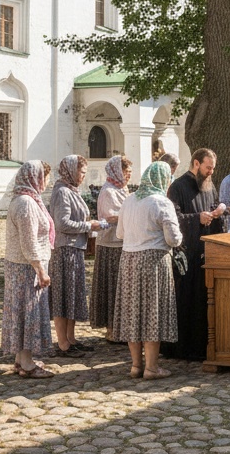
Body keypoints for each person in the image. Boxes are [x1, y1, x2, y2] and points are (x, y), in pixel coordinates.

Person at [113, 160, 182, 379]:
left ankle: (136, 366)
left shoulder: (129, 200)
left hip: (129, 261)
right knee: (153, 312)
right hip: (153, 262)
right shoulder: (162, 202)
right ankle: (152, 368)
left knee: (133, 312)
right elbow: (173, 239)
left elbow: (120, 234)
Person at [163, 147, 226, 360]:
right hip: (187, 253)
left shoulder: (209, 185)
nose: (210, 172)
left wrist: (218, 213)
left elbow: (214, 206)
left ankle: (204, 345)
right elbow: (173, 219)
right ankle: (183, 348)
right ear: (196, 164)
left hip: (207, 252)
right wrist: (197, 218)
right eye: (208, 168)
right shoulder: (178, 187)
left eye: (213, 169)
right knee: (187, 300)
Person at [2, 160, 55, 378]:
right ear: (37, 177)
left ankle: (20, 359)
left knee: (22, 313)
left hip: (21, 266)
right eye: (46, 177)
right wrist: (40, 270)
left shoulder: (26, 199)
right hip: (26, 268)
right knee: (27, 313)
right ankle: (27, 363)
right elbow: (29, 241)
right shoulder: (26, 203)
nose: (47, 182)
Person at [48, 154, 101, 356]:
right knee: (63, 296)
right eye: (80, 172)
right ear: (70, 170)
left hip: (75, 248)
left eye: (85, 173)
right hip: (64, 249)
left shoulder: (72, 190)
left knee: (72, 296)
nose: (82, 176)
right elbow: (62, 223)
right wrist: (88, 225)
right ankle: (62, 343)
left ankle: (71, 338)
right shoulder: (62, 192)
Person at [89, 154, 132, 342]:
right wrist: (130, 214)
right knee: (111, 286)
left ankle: (120, 327)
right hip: (110, 244)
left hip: (122, 243)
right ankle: (112, 328)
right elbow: (110, 217)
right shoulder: (108, 191)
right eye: (126, 172)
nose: (129, 176)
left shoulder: (122, 189)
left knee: (120, 287)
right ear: (117, 171)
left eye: (130, 172)